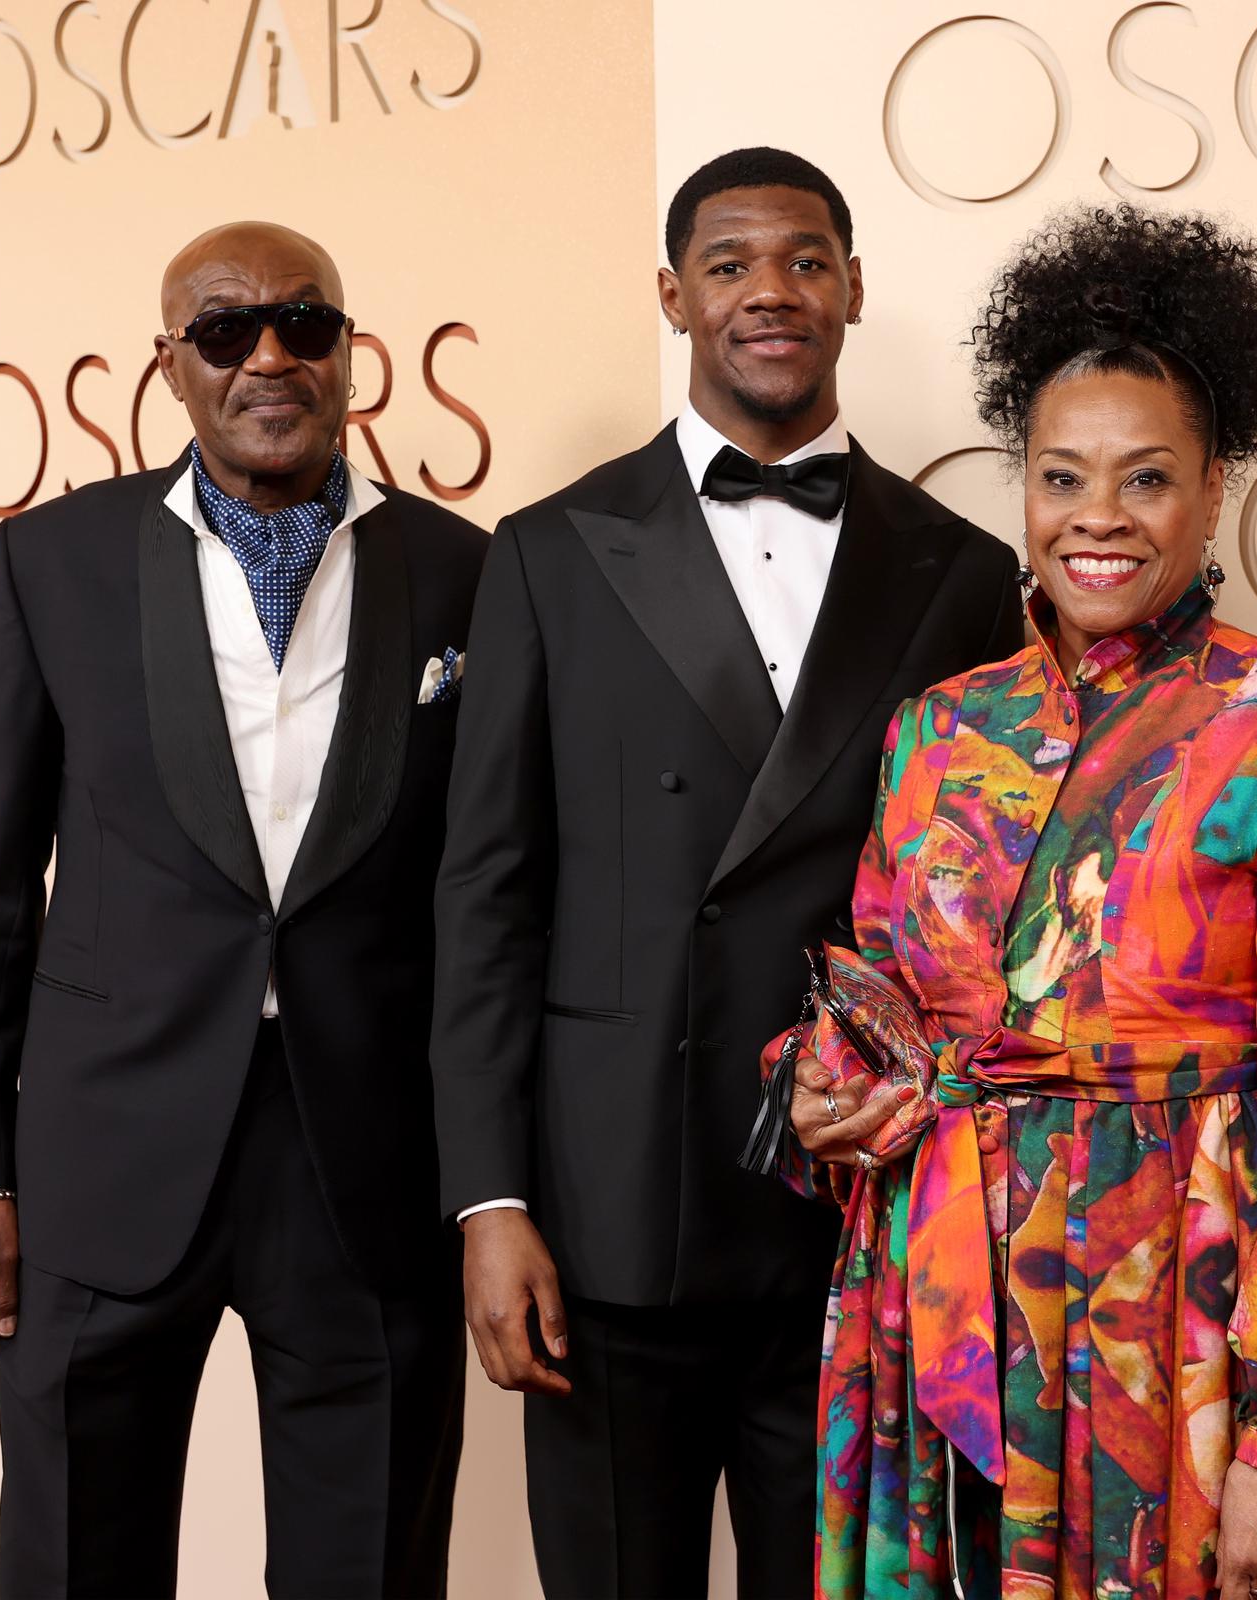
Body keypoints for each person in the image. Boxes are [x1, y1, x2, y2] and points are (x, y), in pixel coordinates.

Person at [779, 204, 1257, 1600]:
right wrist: (822, 1088)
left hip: (1166, 1320)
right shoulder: (939, 729)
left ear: (1215, 487)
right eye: (1062, 479)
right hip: (927, 1292)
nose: (1098, 521)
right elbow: (873, 994)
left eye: (1146, 480)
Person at [429, 146, 1024, 1598]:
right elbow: (486, 900)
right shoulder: (551, 551)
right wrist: (490, 1203)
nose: (774, 291)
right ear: (674, 294)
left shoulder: (958, 568)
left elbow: (986, 902)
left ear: (855, 289)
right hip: (610, 1201)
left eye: (809, 260)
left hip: (858, 1210)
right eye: (734, 264)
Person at [0, 221, 483, 1597]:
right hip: (104, 1154)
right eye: (227, 331)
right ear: (170, 363)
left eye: (305, 323)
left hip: (368, 1158)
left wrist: (494, 1185)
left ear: (351, 355)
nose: (270, 355)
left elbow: (492, 901)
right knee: (74, 1556)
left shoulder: (470, 572)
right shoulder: (52, 563)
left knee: (369, 1564)